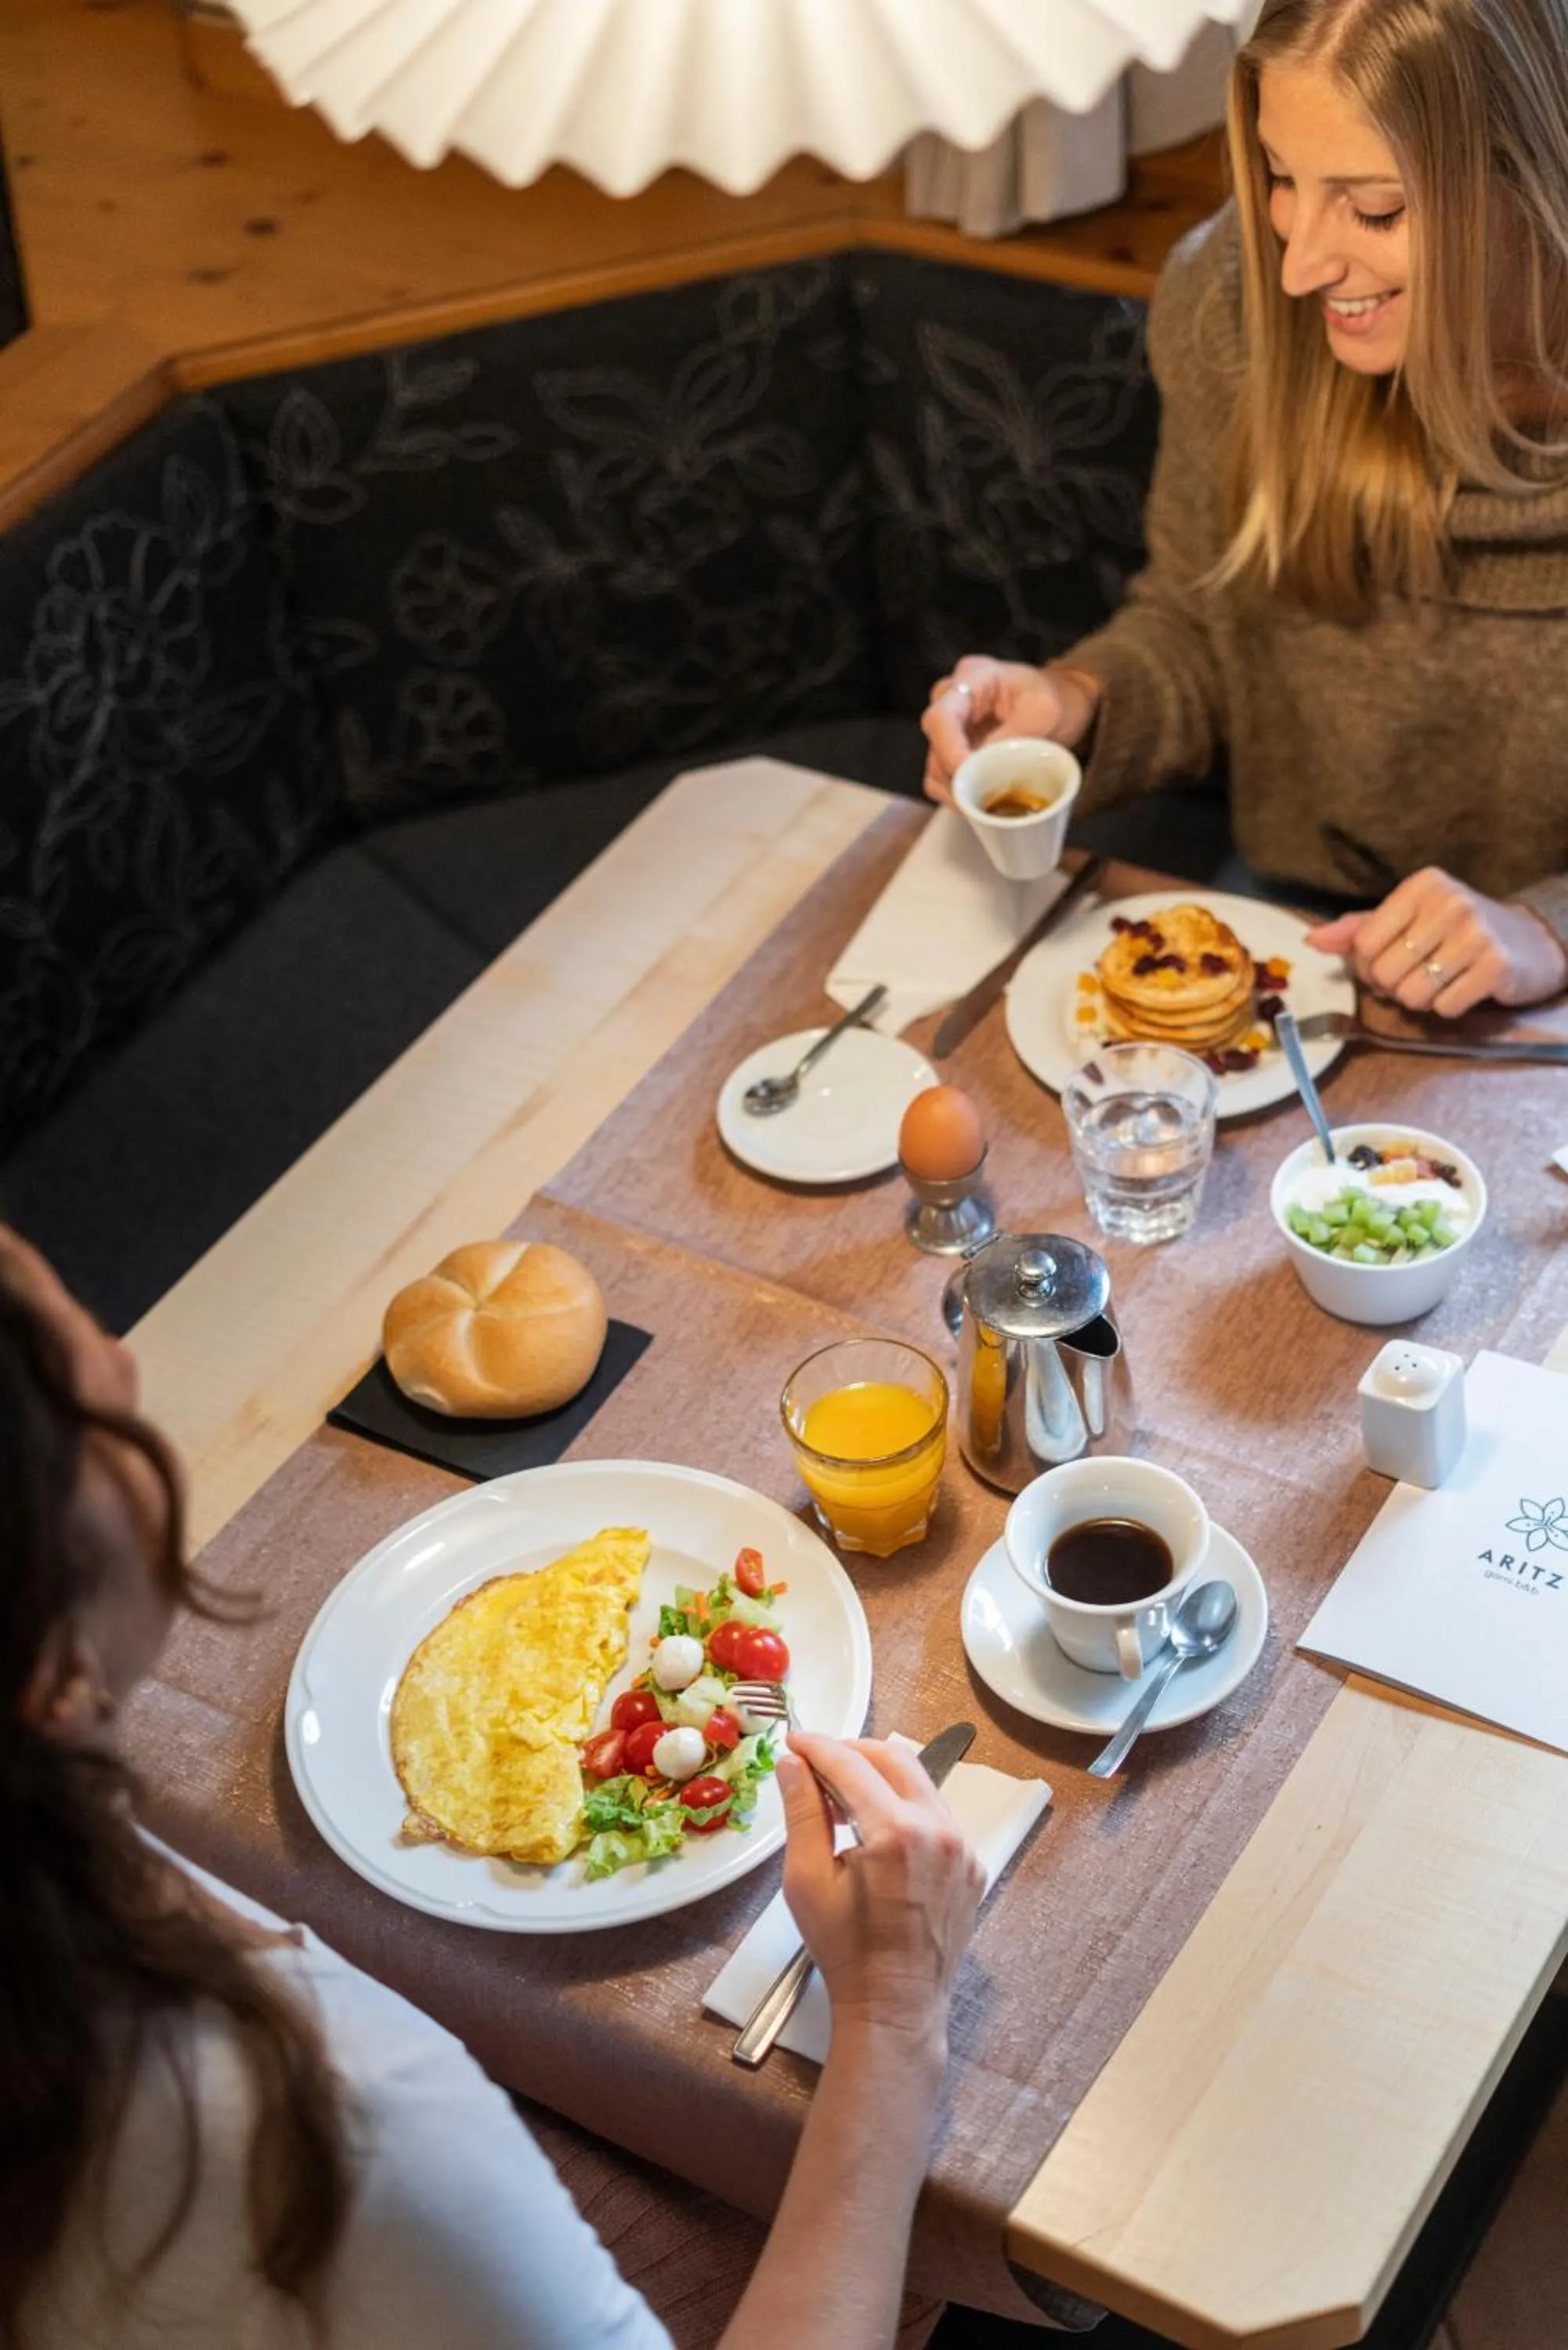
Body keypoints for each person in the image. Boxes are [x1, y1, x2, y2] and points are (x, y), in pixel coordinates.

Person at [0, 1226, 985, 2349]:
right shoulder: (352, 2115)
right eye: (88, 1402)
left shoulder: (57, 1840)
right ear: (45, 1657)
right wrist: (892, 2020)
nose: (125, 1364)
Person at [923, 0, 1568, 1023]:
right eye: (1279, 178)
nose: (1300, 264)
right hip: (1293, 912)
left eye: (1374, 210)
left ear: (1540, 183)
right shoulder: (1236, 301)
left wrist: (1545, 928)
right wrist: (1079, 701)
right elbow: (1195, 619)